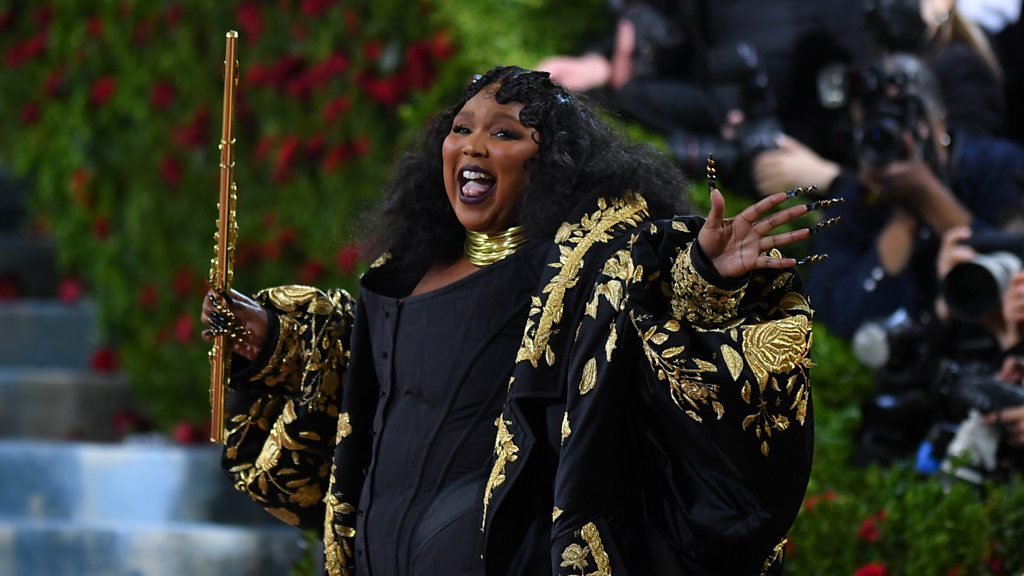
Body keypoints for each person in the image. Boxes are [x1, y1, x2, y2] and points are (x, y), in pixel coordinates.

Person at [202, 66, 821, 575]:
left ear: (550, 163)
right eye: (461, 128)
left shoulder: (581, 274)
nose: (473, 146)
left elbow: (650, 324)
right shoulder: (404, 271)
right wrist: (274, 338)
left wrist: (705, 278)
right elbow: (365, 376)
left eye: (504, 133)